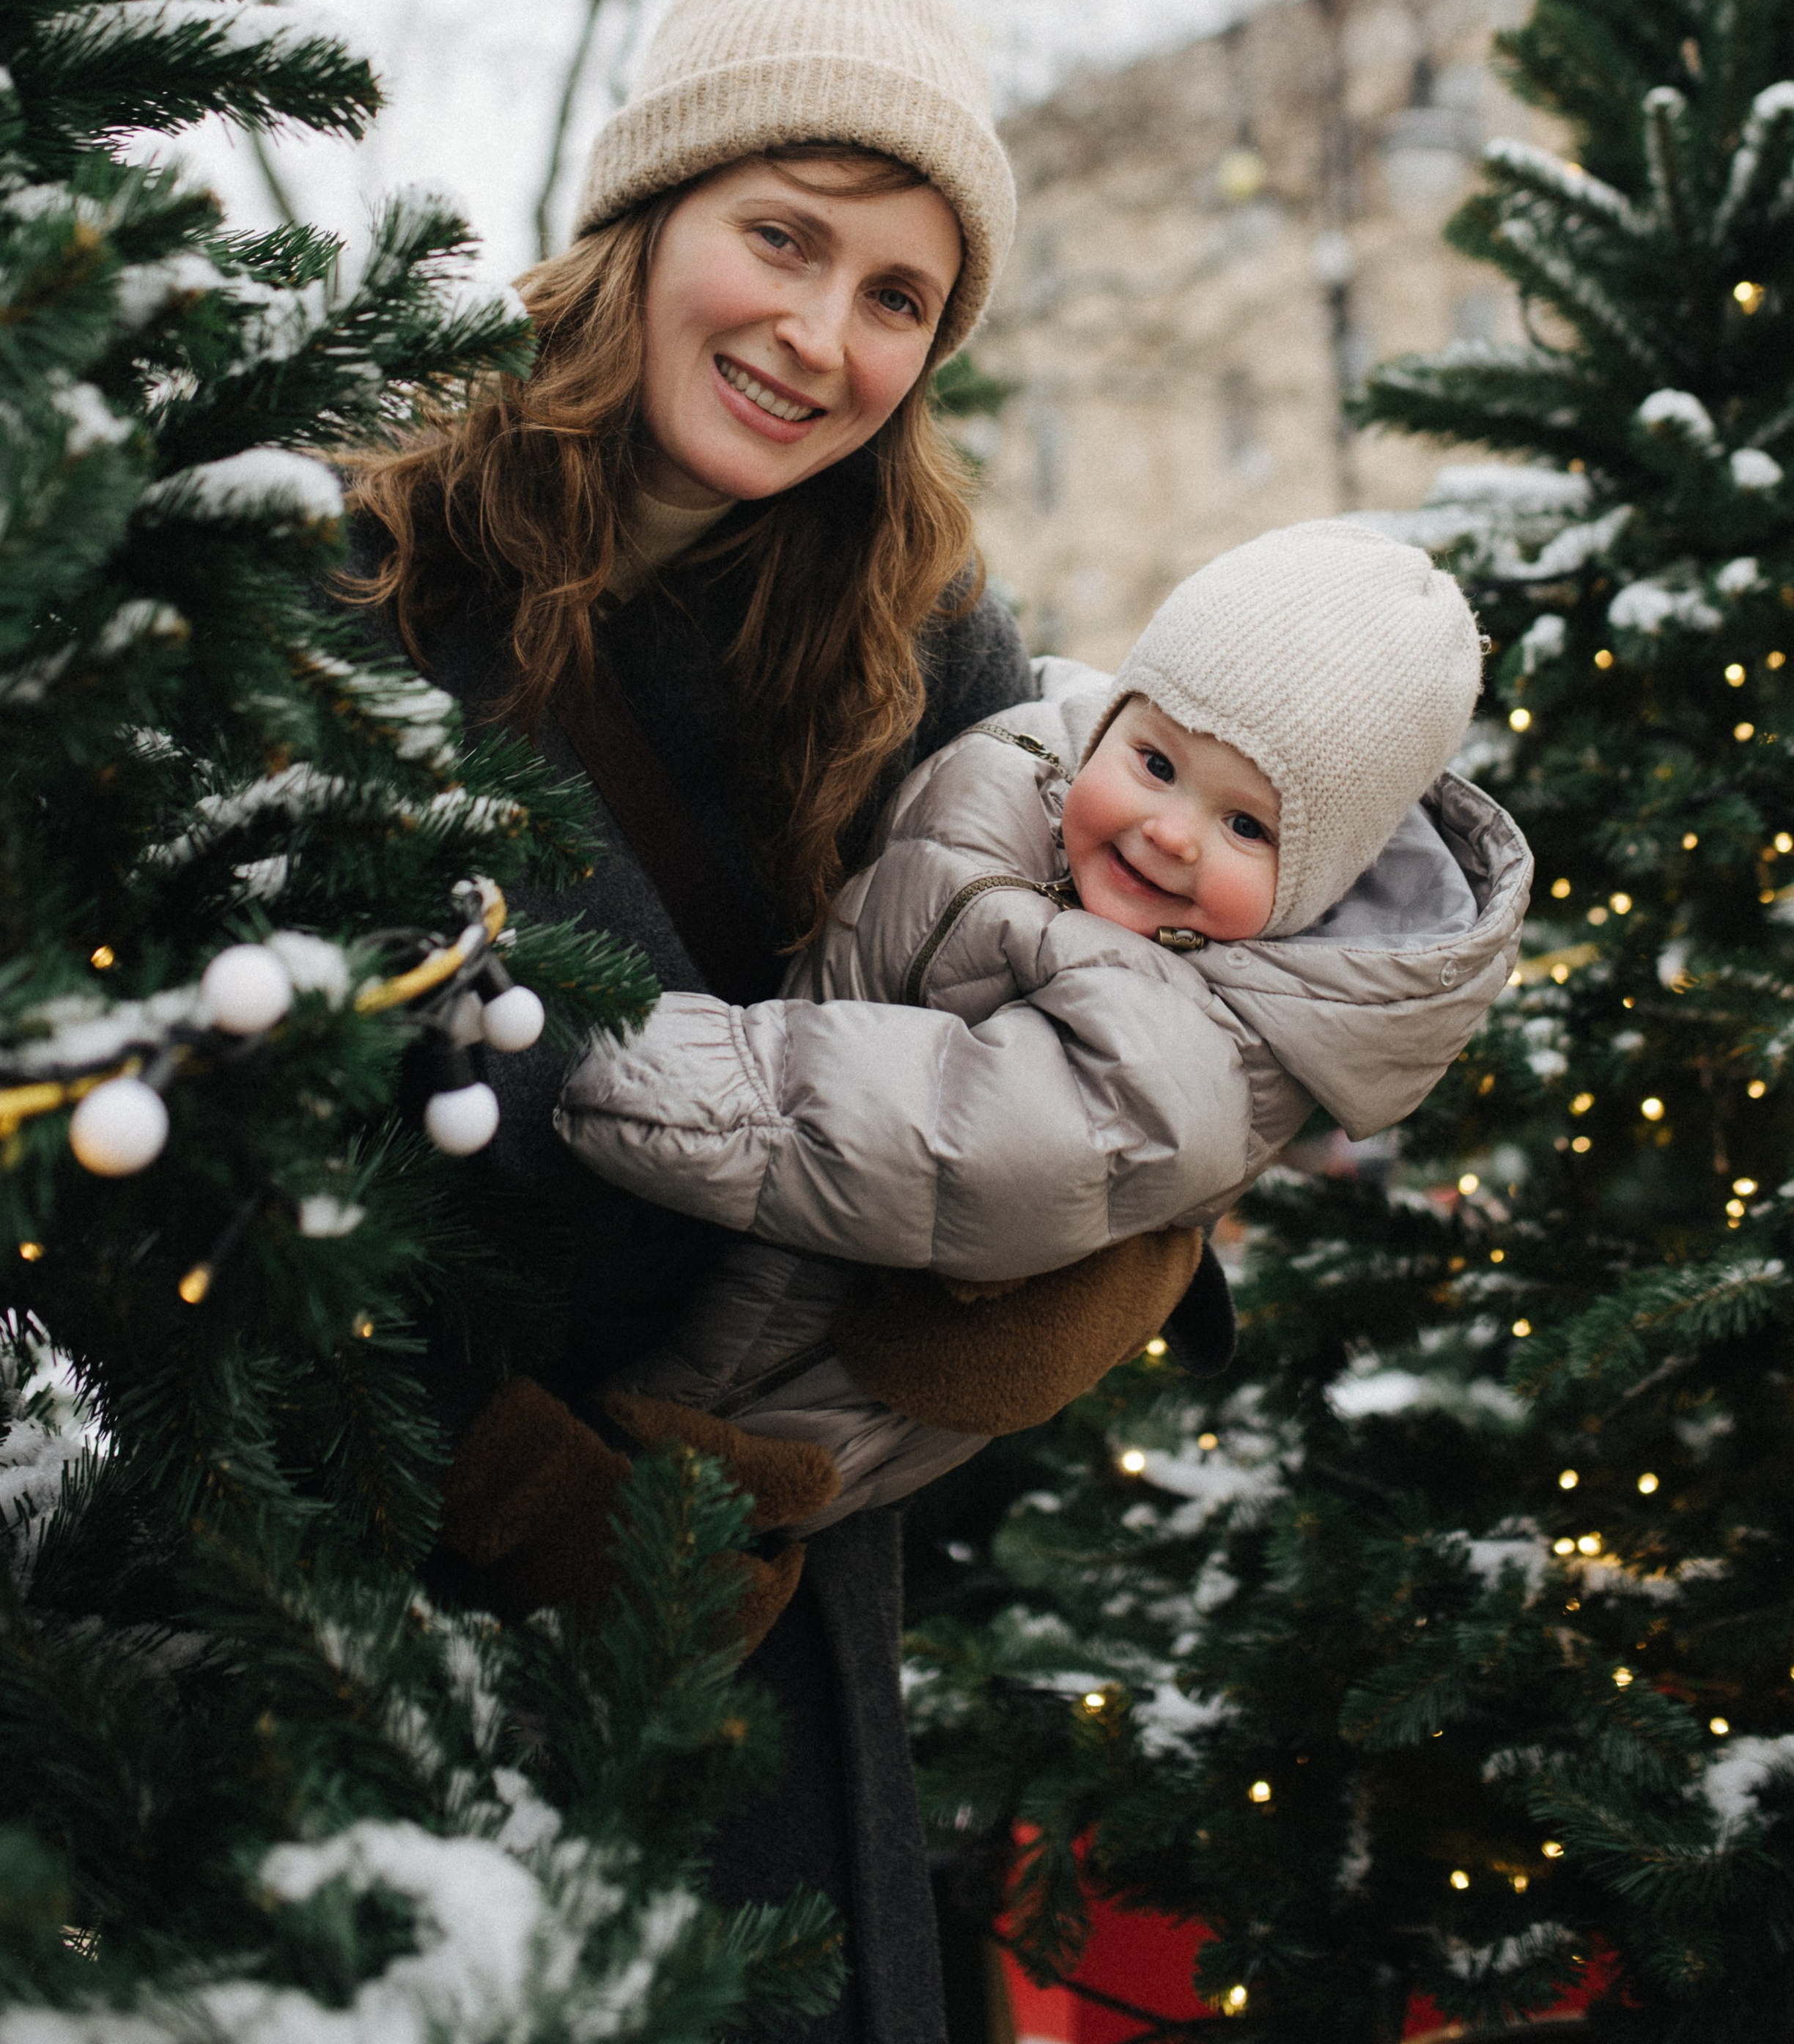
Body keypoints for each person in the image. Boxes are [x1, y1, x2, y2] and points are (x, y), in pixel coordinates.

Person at [343, 0, 1035, 2044]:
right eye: (786, 240)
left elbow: (1092, 1047)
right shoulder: (341, 573)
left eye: (899, 296)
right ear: (646, 221)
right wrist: (485, 1465)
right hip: (355, 1610)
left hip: (766, 1611)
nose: (822, 336)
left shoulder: (934, 659)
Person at [487, 520, 1529, 1606]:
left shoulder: (1193, 1054)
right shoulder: (1035, 751)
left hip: (822, 1325)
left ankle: (684, 1608)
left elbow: (968, 1140)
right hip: (744, 1201)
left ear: (1317, 883)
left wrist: (628, 1059)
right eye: (1158, 763)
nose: (1172, 831)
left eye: (1247, 828)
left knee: (666, 1494)